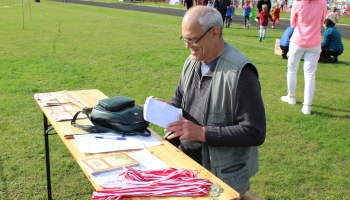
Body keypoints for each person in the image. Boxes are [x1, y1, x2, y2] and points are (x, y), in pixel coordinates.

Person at [159, 6, 266, 199]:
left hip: (221, 176)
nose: (187, 45)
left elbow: (255, 131)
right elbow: (180, 98)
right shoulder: (192, 61)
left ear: (214, 33)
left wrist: (201, 133)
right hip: (184, 159)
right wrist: (166, 108)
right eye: (185, 39)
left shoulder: (241, 73)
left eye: (193, 39)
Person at [281, 0, 327, 115]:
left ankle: (291, 96)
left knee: (292, 70)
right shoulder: (322, 2)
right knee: (310, 75)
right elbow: (322, 21)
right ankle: (307, 106)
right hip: (314, 42)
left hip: (298, 41)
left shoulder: (297, 3)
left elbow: (293, 23)